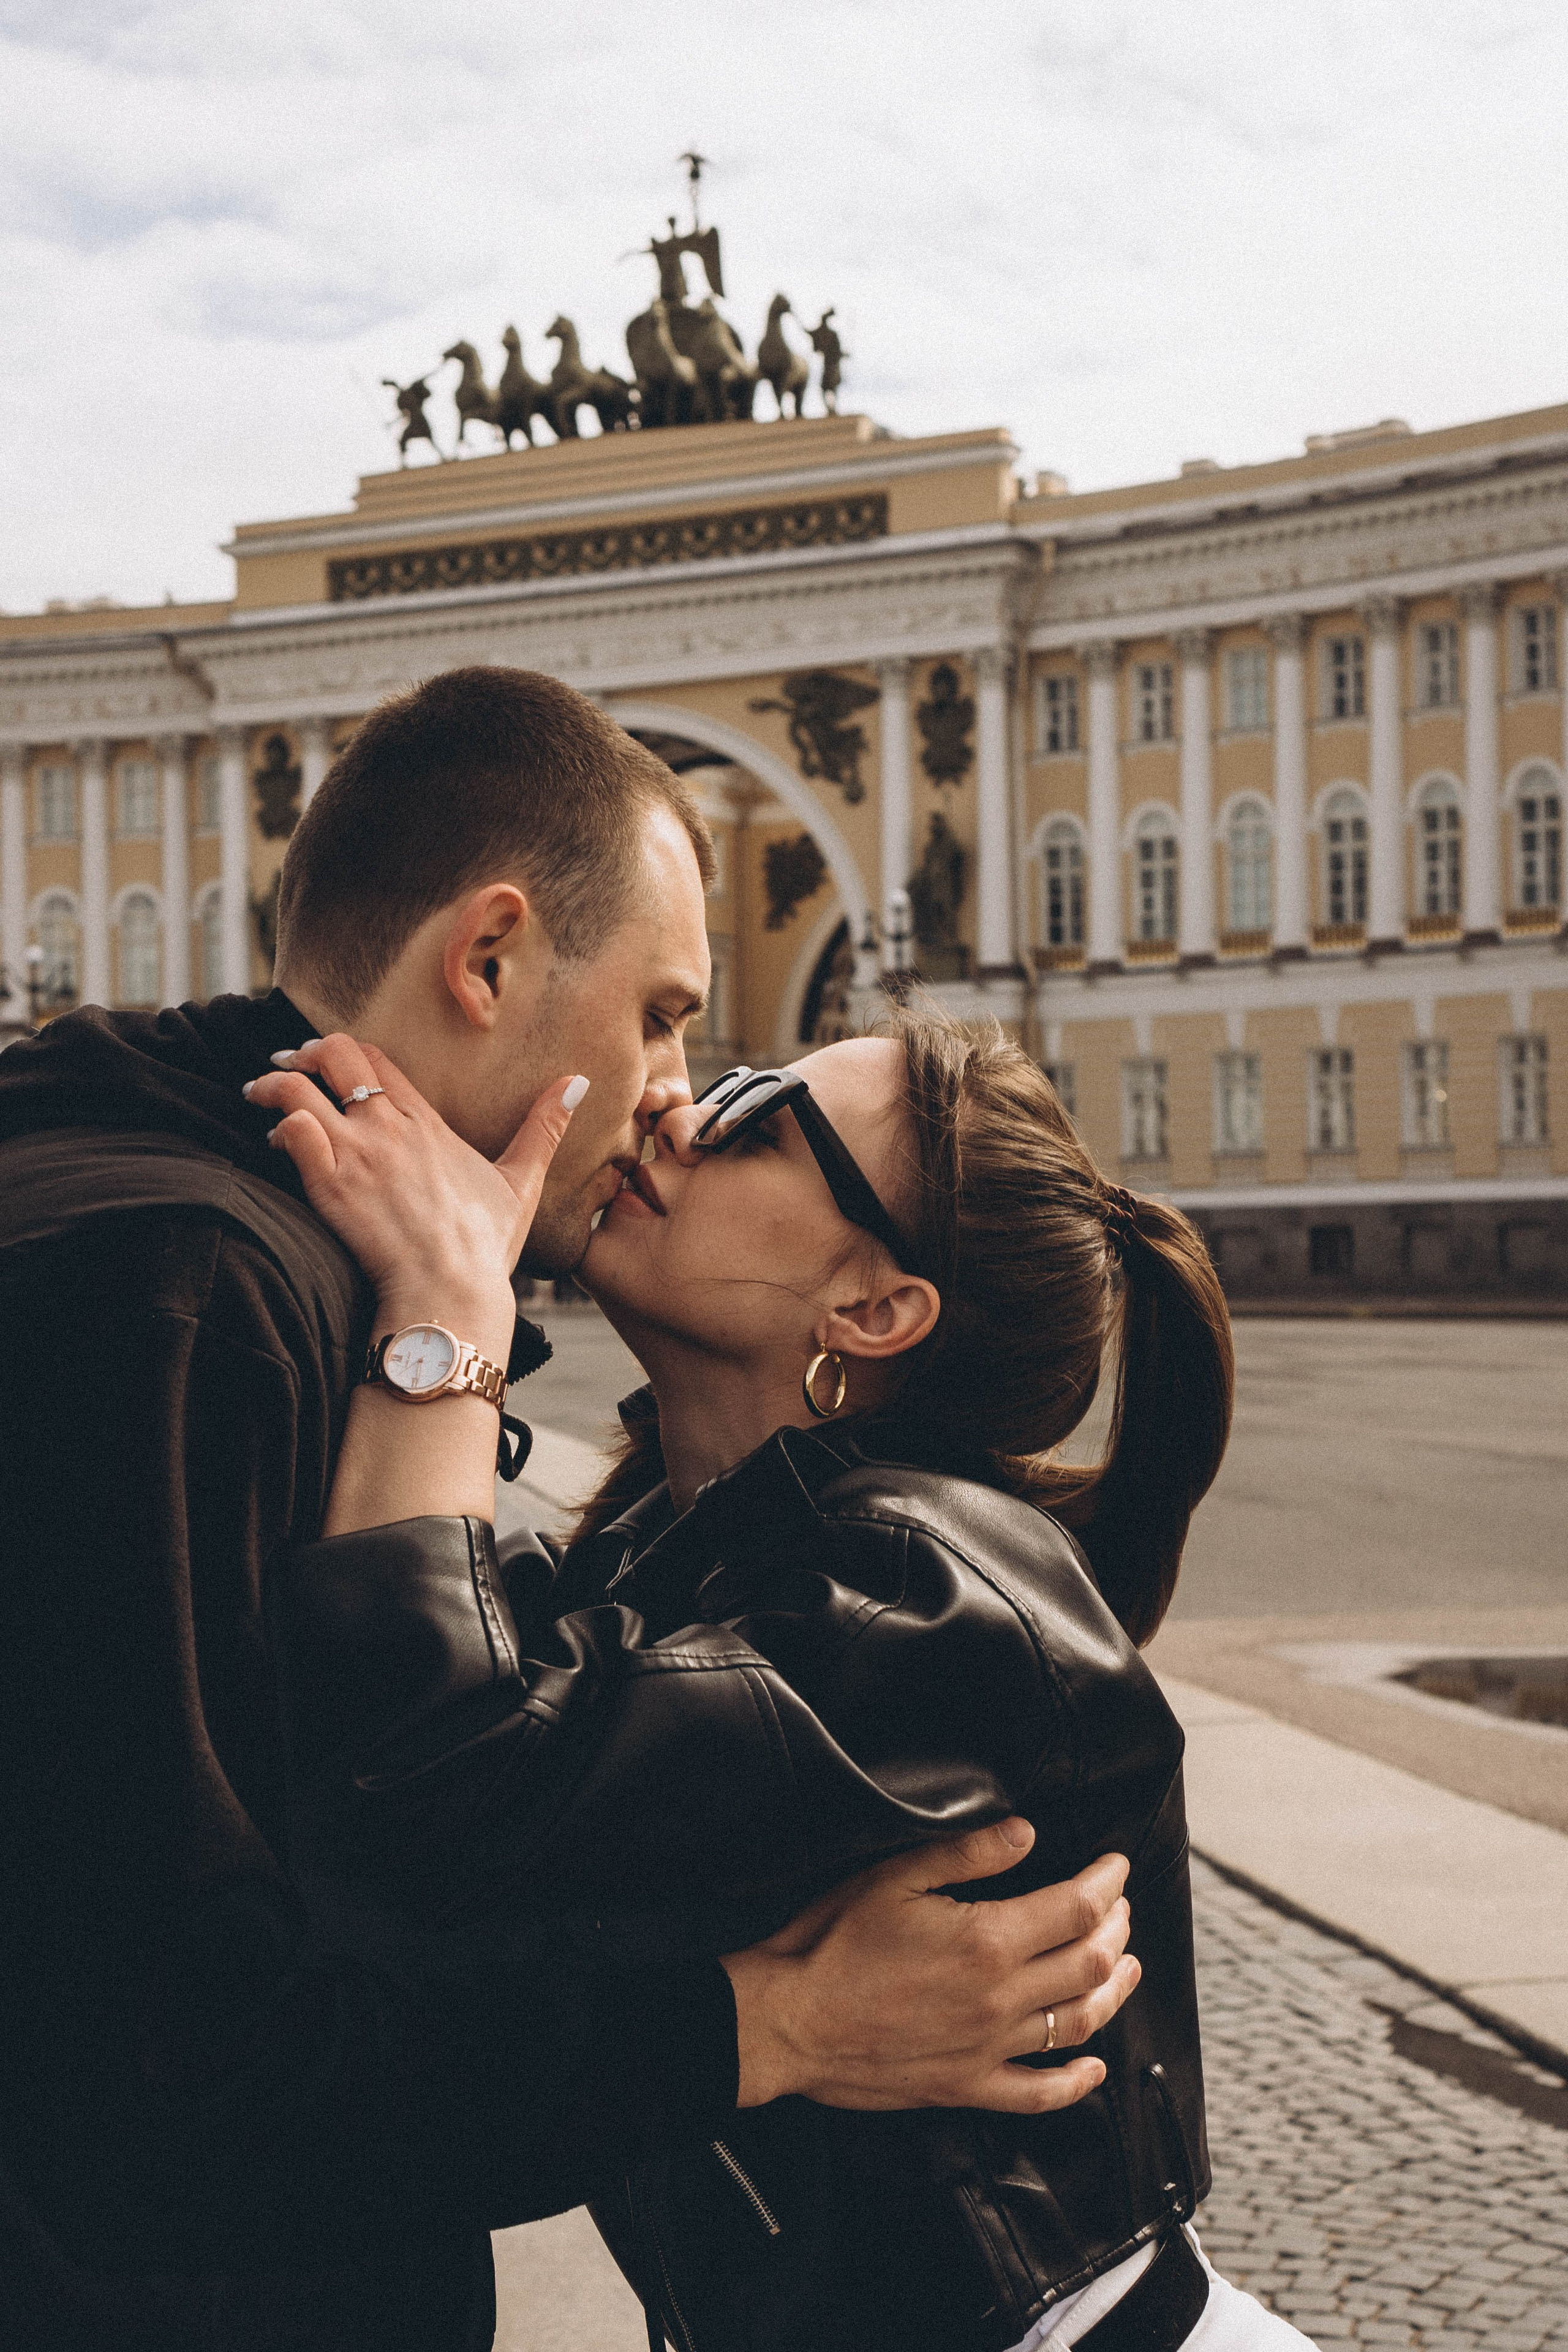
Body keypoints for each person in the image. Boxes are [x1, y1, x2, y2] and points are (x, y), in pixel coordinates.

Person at [0, 667, 1137, 2352]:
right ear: (489, 960)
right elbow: (168, 2059)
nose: (673, 1089)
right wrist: (776, 2027)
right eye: (669, 1015)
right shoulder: (197, 1292)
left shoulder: (162, 1205)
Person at [247, 1001, 1315, 2352]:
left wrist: (449, 1319)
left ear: (871, 1308)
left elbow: (427, 1789)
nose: (685, 1115)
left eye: (759, 1117)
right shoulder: (668, 1554)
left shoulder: (934, 1601)